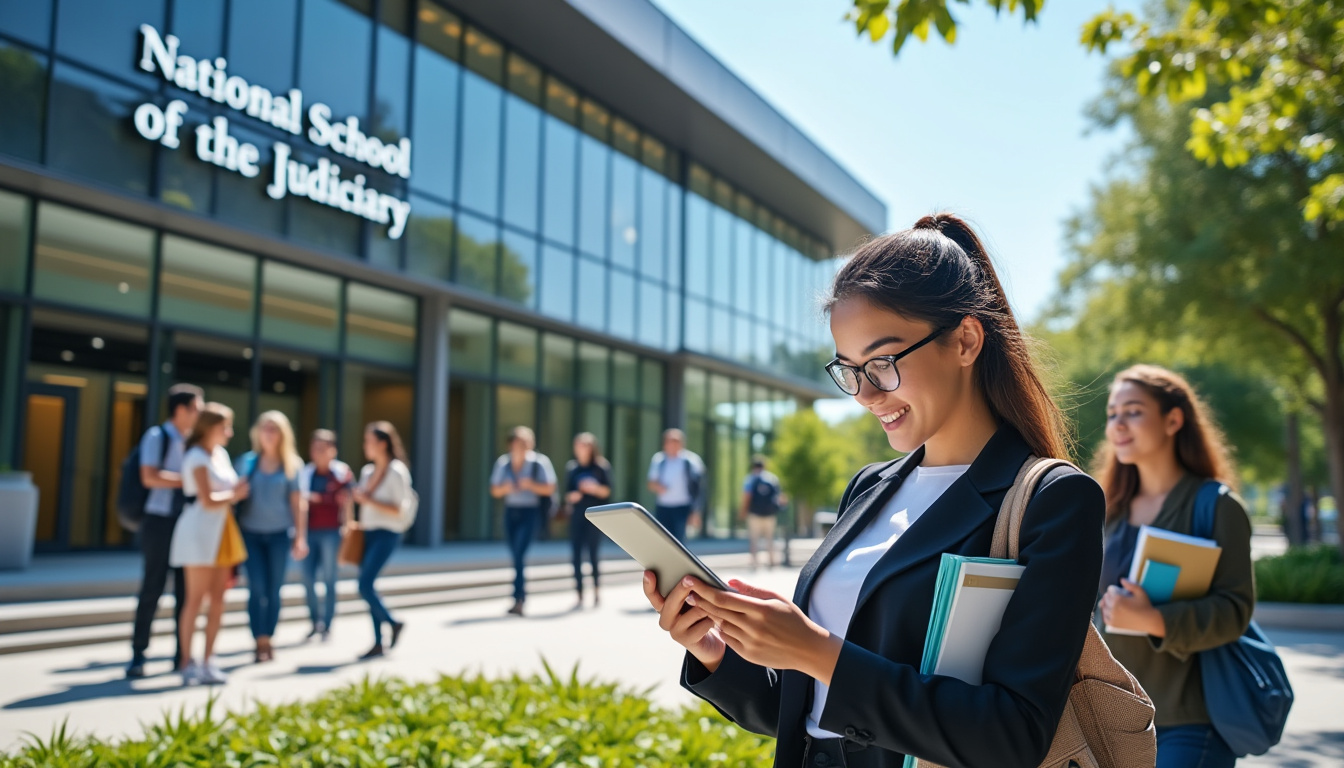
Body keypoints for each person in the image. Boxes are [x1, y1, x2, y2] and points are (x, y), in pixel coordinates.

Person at [643, 214, 1106, 768]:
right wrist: (715, 652)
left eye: (883, 363)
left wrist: (817, 651)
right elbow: (809, 714)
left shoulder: (1052, 501)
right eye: (850, 368)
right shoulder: (870, 488)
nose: (864, 393)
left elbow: (1013, 735)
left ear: (965, 339)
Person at [1096, 365, 1253, 768]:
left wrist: (1155, 619)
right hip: (1113, 720)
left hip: (1188, 724)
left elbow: (1235, 610)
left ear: (1173, 420)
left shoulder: (1216, 507)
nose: (1118, 424)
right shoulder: (1107, 509)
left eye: (1132, 411)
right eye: (1112, 414)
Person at [126, 383, 203, 679]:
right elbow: (149, 476)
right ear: (181, 409)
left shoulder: (193, 441)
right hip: (158, 522)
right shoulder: (157, 436)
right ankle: (138, 654)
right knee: (152, 587)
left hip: (186, 522)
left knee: (186, 591)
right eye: (196, 408)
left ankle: (180, 655)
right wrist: (188, 480)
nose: (199, 414)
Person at [169, 402, 249, 686]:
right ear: (210, 427)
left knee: (218, 599)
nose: (229, 432)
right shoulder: (195, 456)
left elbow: (223, 493)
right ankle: (186, 661)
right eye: (224, 426)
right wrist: (235, 495)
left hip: (220, 534)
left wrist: (234, 493)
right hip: (198, 534)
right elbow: (207, 499)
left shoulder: (221, 455)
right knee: (194, 600)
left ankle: (208, 661)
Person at [235, 411, 308, 663]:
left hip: (279, 535)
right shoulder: (247, 462)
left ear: (282, 434)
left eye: (274, 428)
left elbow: (298, 503)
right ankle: (259, 640)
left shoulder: (292, 465)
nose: (268, 433)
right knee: (256, 588)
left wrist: (301, 537)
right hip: (250, 534)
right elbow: (234, 496)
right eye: (265, 427)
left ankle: (269, 638)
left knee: (274, 589)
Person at [352, 420, 414, 659]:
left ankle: (393, 622)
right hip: (367, 531)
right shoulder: (368, 471)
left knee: (365, 585)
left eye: (369, 440)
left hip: (387, 533)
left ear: (382, 443)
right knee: (369, 586)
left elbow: (399, 508)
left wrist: (369, 501)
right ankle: (378, 641)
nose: (365, 445)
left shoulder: (397, 470)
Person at [490, 426, 558, 616]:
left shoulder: (540, 463)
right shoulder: (503, 463)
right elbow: (494, 490)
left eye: (528, 441)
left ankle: (519, 598)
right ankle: (518, 597)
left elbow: (550, 488)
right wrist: (506, 488)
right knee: (515, 554)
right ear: (511, 443)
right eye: (521, 442)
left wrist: (531, 485)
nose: (525, 445)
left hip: (531, 512)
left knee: (519, 554)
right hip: (511, 511)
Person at [299, 429, 352, 642]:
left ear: (332, 450)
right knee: (307, 579)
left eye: (322, 448)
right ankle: (314, 622)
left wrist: (348, 529)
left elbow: (347, 502)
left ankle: (327, 624)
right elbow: (300, 502)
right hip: (309, 532)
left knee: (330, 580)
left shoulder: (341, 473)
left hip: (332, 532)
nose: (317, 452)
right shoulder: (306, 473)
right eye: (314, 448)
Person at [564, 432, 612, 609]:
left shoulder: (601, 467)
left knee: (593, 555)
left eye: (584, 445)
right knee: (576, 556)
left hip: (595, 517)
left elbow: (608, 492)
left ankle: (597, 592)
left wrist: (593, 488)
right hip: (577, 516)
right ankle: (579, 594)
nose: (581, 449)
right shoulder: (572, 468)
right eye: (578, 445)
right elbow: (567, 494)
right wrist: (574, 495)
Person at [646, 429, 705, 542]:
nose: (672, 444)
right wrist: (658, 487)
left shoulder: (691, 460)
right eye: (670, 441)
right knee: (663, 539)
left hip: (682, 506)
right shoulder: (659, 460)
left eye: (676, 441)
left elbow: (699, 488)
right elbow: (650, 483)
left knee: (679, 541)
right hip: (663, 506)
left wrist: (696, 511)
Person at [739, 455, 785, 570]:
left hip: (755, 514)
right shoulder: (773, 478)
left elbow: (747, 496)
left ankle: (755, 562)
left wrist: (743, 511)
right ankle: (772, 561)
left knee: (754, 538)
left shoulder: (750, 479)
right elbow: (780, 497)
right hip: (770, 514)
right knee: (770, 538)